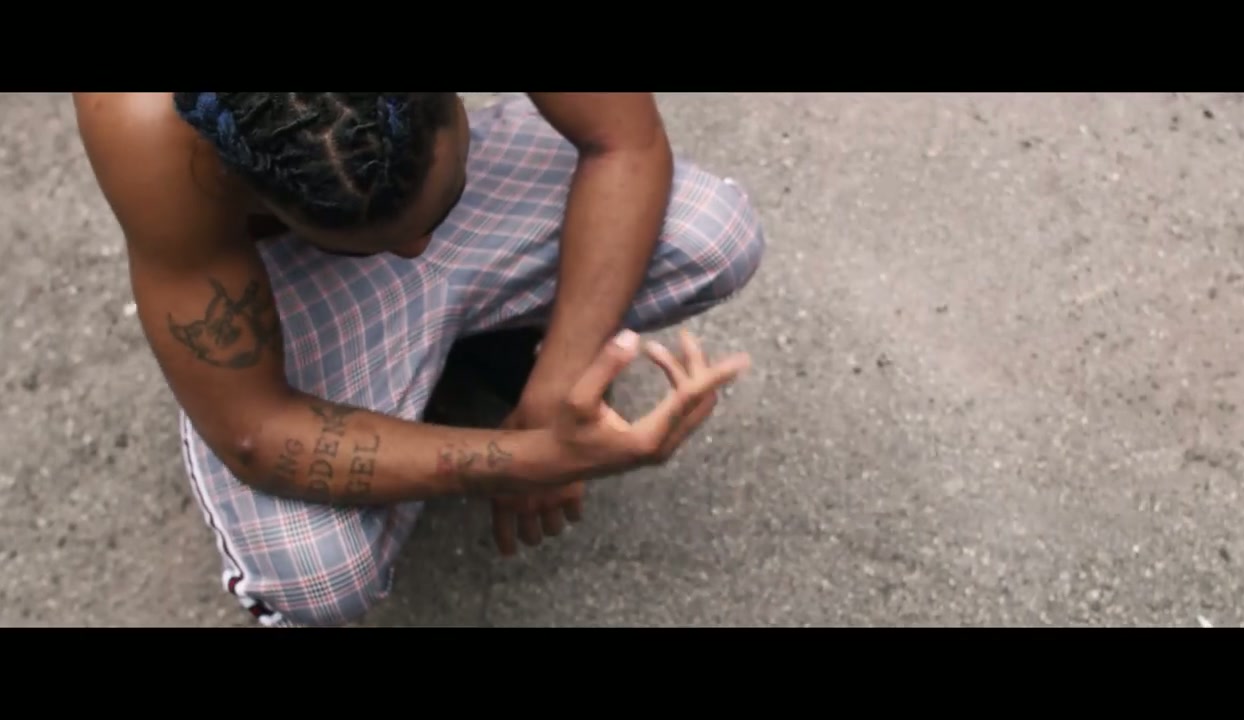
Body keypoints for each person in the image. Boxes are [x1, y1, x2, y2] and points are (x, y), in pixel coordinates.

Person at [73, 92, 765, 626]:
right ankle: (426, 325)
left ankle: (477, 341)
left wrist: (555, 389)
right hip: (289, 280)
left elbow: (624, 143)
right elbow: (255, 428)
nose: (415, 251)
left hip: (413, 178)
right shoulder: (144, 128)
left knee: (710, 236)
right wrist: (532, 460)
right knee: (317, 575)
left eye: (443, 203)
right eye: (366, 241)